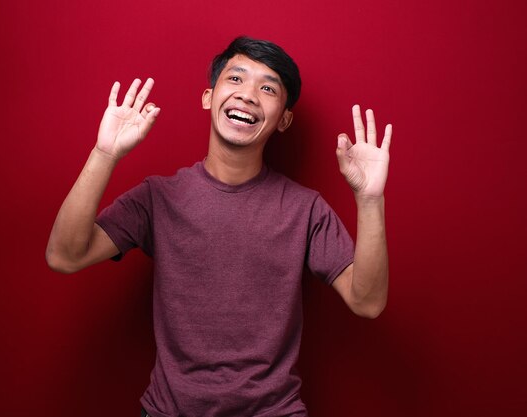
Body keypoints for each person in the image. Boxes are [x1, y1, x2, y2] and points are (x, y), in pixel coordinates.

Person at [46, 36, 392, 417]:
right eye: (236, 79)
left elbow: (368, 302)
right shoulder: (159, 197)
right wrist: (105, 154)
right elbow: (65, 255)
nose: (247, 95)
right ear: (208, 98)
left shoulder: (305, 209)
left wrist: (371, 200)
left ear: (284, 120)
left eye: (267, 88)